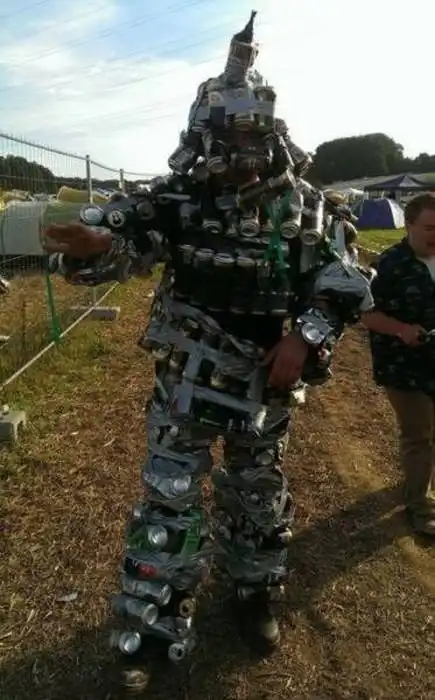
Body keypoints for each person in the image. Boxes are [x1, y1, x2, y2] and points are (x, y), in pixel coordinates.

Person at [42, 11, 372, 673]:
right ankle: (154, 619)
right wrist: (93, 246)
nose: (241, 149)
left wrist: (303, 338)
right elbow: (125, 240)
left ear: (271, 133)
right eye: (228, 135)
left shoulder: (306, 206)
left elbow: (344, 282)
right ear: (202, 137)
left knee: (257, 488)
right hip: (184, 375)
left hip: (268, 379)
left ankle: (253, 589)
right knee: (168, 494)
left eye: (252, 133)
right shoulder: (176, 199)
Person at [362, 193, 435, 538]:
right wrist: (402, 330)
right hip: (404, 367)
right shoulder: (389, 265)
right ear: (408, 225)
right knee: (419, 435)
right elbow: (366, 314)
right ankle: (420, 506)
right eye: (430, 228)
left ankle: (419, 481)